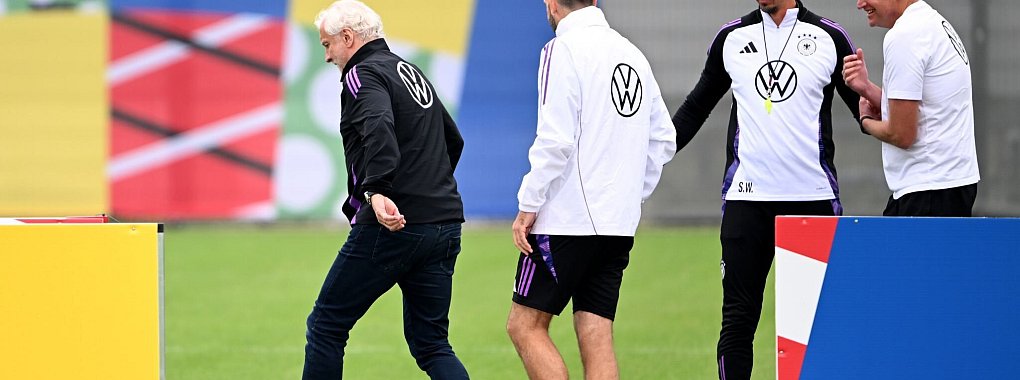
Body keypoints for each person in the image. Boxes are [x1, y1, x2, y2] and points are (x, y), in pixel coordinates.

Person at [671, 0, 861, 378]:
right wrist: (648, 154)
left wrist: (871, 92)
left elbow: (868, 114)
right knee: (738, 321)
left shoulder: (831, 37)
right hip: (747, 200)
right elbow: (695, 107)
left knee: (818, 327)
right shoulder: (730, 37)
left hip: (812, 202)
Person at [507, 1, 677, 379]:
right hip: (617, 223)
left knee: (525, 325)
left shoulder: (561, 49)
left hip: (567, 221)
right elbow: (664, 139)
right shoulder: (631, 52)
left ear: (551, 3)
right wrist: (630, 194)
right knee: (595, 330)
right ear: (596, 2)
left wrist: (528, 203)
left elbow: (555, 139)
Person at [302, 1, 468, 379]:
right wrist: (429, 191)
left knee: (326, 324)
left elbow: (378, 126)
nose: (327, 56)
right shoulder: (410, 71)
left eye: (327, 45)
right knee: (432, 344)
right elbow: (452, 140)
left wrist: (377, 192)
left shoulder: (363, 73)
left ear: (348, 38)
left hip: (393, 225)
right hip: (444, 222)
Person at [843, 0, 980, 216]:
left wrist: (866, 121)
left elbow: (902, 134)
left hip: (928, 191)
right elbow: (927, 109)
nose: (860, 4)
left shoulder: (905, 34)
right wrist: (868, 89)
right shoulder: (933, 22)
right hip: (948, 185)